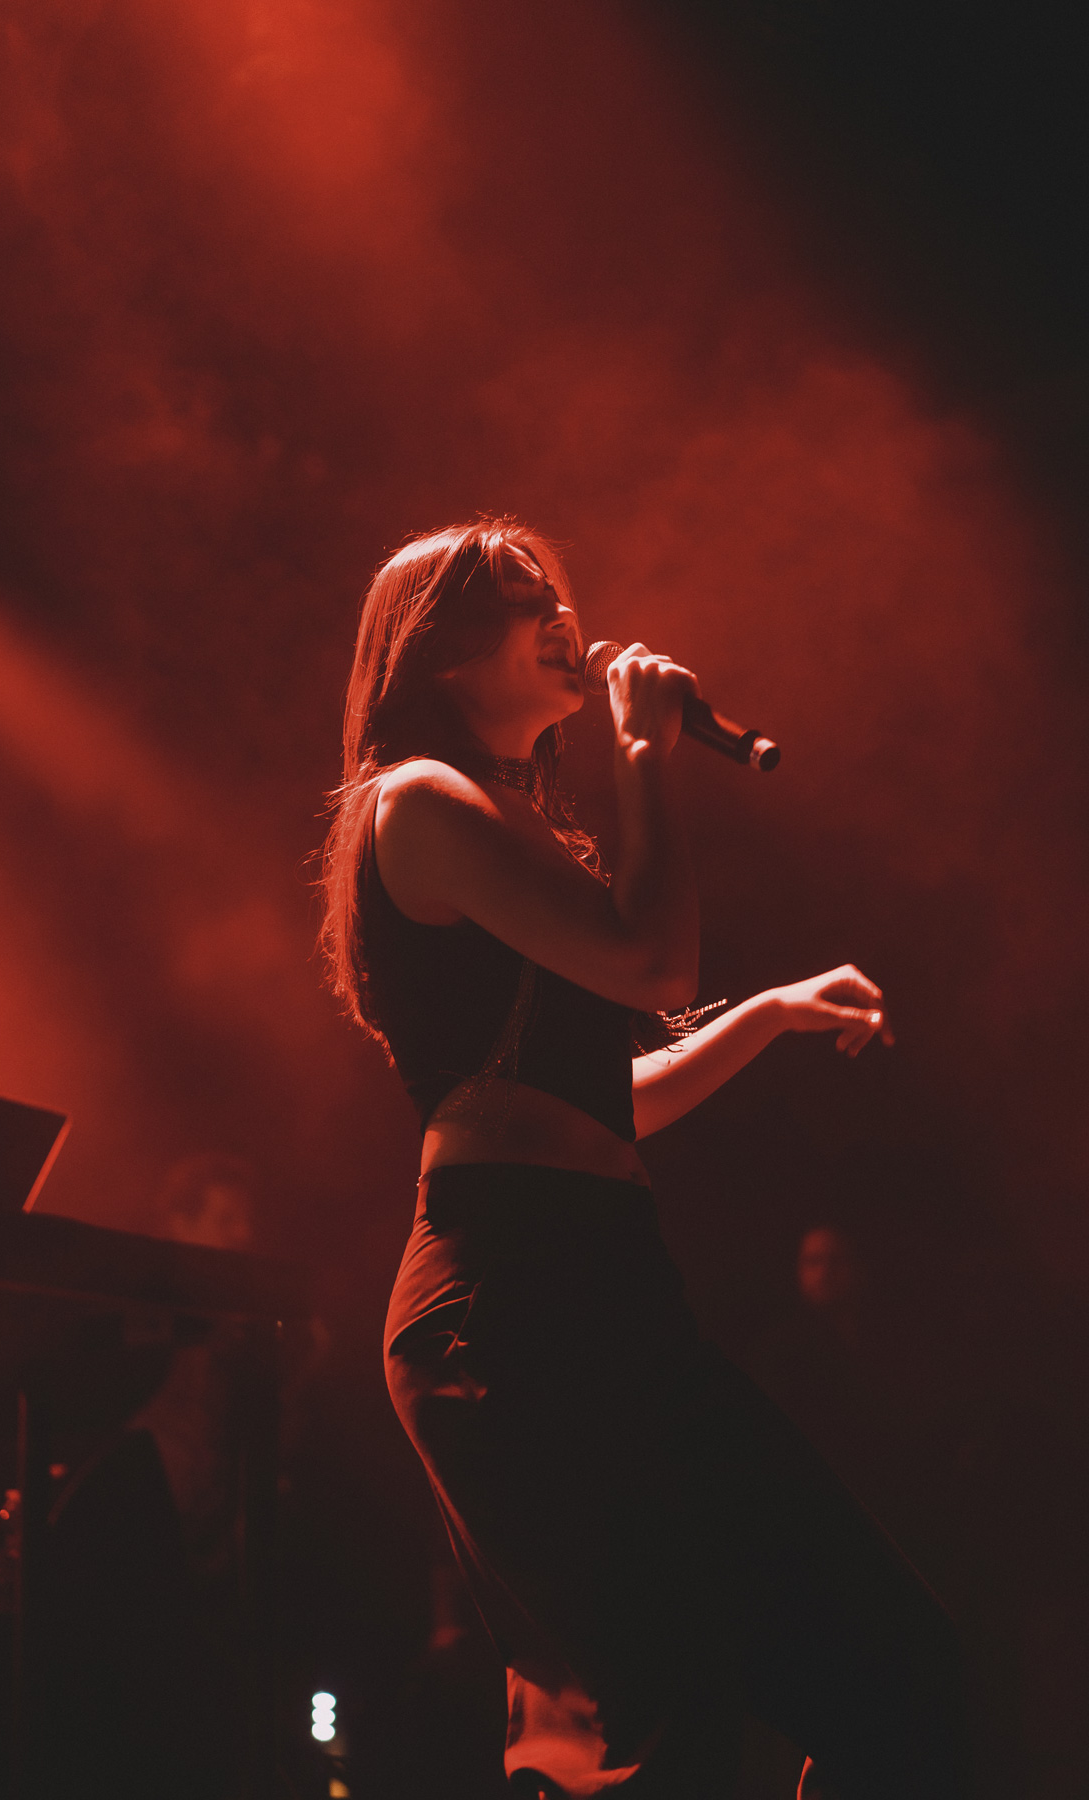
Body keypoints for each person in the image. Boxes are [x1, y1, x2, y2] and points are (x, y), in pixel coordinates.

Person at [316, 519, 962, 1798]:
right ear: (444, 652)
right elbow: (655, 964)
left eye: (562, 594)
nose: (565, 618)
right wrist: (646, 754)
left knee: (898, 1666)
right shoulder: (419, 801)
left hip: (613, 1286)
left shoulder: (508, 822)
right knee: (670, 1722)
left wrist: (765, 1015)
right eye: (525, 600)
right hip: (505, 1299)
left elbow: (608, 1103)